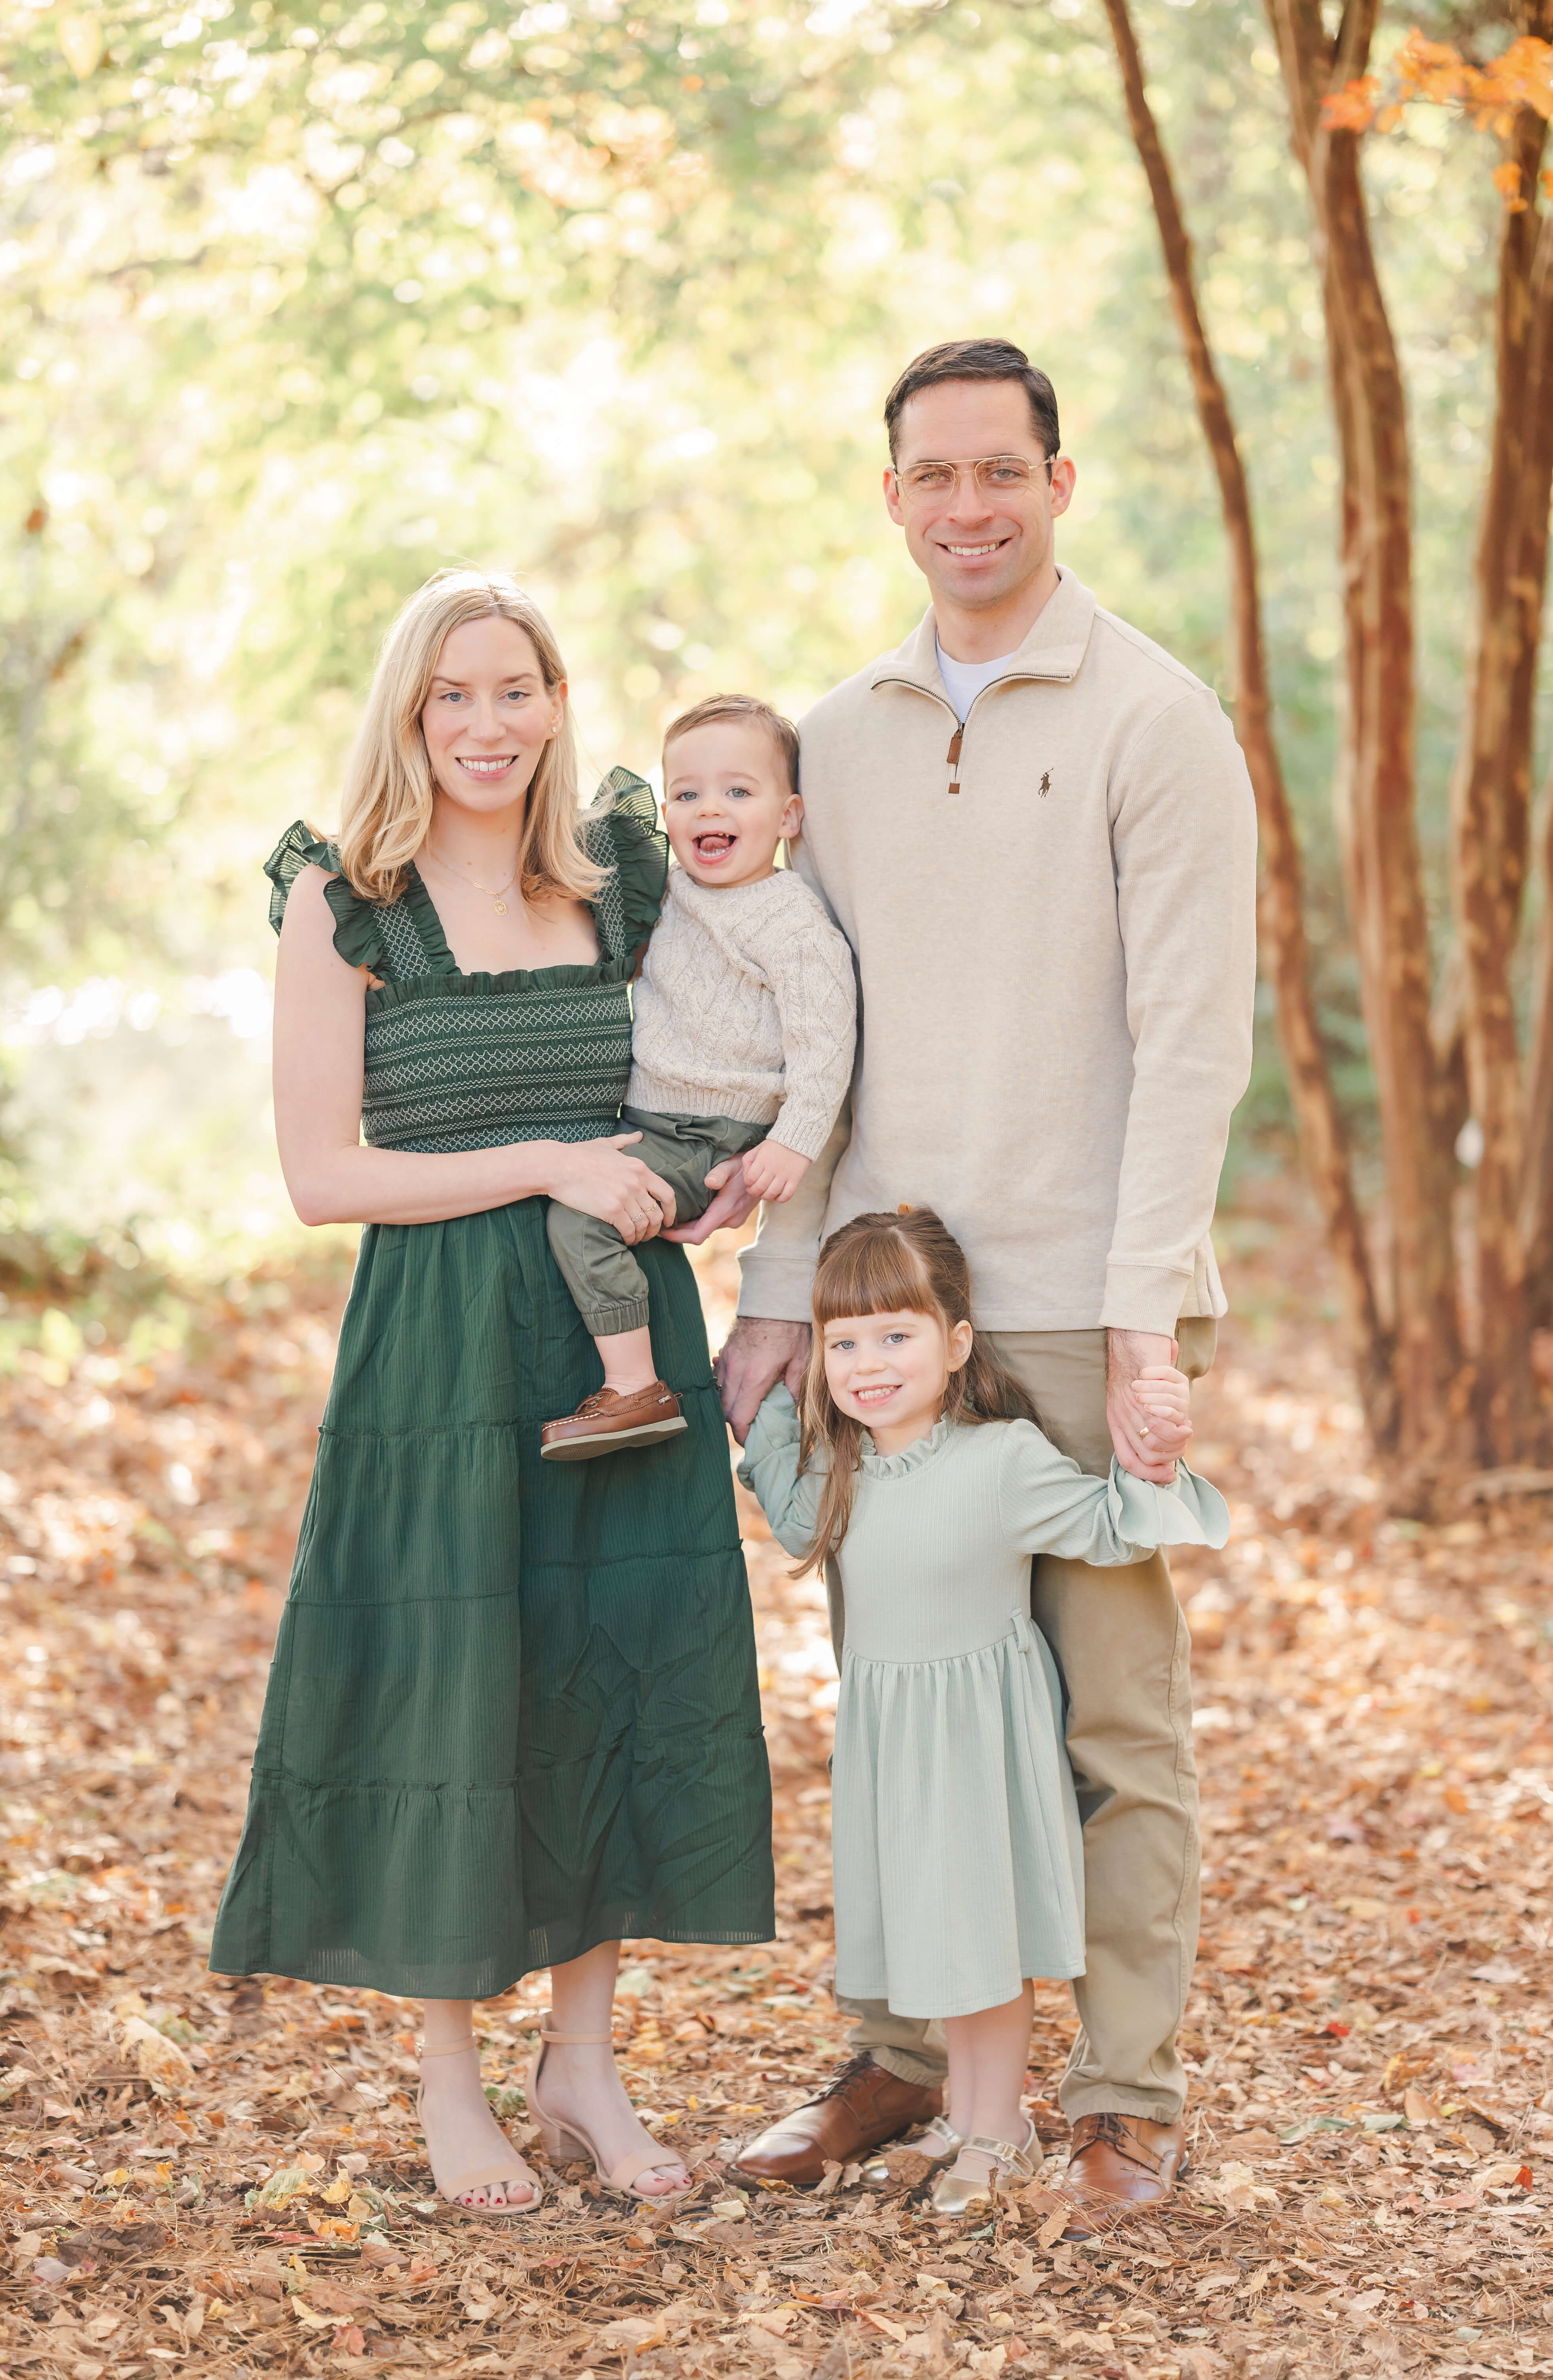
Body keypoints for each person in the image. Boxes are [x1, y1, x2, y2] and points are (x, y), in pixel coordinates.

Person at [682, 338, 1257, 2232]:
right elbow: (797, 1032)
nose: (964, 508)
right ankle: (906, 2053)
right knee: (909, 1696)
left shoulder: (1150, 718)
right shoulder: (831, 738)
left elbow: (1189, 1040)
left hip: (1073, 1296)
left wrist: (1140, 1307)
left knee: (1109, 1720)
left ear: (1055, 482)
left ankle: (1120, 2098)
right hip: (886, 1322)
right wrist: (777, 1295)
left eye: (997, 472)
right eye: (929, 476)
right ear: (890, 496)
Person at [208, 569, 775, 2215]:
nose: (485, 723)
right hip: (442, 1338)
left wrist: (728, 1176)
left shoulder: (621, 880)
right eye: (451, 694)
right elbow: (322, 1176)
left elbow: (737, 1043)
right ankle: (452, 2075)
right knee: (455, 1678)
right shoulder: (347, 903)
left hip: (621, 1334)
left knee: (612, 1664)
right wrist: (543, 1161)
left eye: (514, 689)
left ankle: (583, 2066)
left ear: (553, 703)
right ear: (407, 710)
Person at [737, 1209, 1229, 2215]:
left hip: (975, 1740)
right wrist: (766, 1394)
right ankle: (965, 2110)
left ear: (957, 1344)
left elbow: (1107, 1526)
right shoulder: (844, 1475)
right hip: (890, 1747)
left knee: (981, 1930)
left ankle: (996, 2124)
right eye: (845, 1342)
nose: (869, 1364)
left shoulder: (1000, 1457)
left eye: (896, 1335)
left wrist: (1157, 1451)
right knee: (930, 1925)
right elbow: (781, 1495)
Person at [540, 695, 855, 1460]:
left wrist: (792, 1143)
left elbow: (827, 1045)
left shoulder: (790, 920)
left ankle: (636, 1387)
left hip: (711, 1133)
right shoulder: (671, 894)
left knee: (582, 1215)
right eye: (687, 794)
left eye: (738, 792)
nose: (709, 808)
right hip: (649, 1117)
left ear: (789, 817)